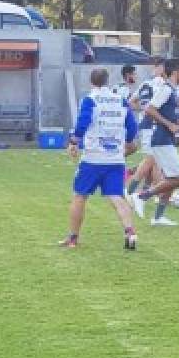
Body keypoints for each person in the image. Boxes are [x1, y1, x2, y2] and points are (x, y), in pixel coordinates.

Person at [60, 68, 140, 250]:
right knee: (116, 196)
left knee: (80, 195)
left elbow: (83, 122)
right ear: (107, 81)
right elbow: (132, 126)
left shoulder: (90, 99)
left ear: (92, 82)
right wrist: (127, 141)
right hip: (115, 159)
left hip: (93, 158)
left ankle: (73, 238)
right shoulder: (120, 99)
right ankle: (130, 231)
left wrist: (73, 141)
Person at [131, 58, 179, 226]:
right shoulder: (166, 89)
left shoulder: (172, 90)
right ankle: (141, 196)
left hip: (166, 139)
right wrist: (169, 125)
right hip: (161, 140)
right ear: (176, 72)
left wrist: (177, 126)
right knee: (177, 179)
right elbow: (149, 109)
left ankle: (158, 217)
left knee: (172, 178)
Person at [126, 56, 166, 198]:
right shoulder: (162, 84)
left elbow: (130, 103)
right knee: (153, 160)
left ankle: (147, 190)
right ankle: (152, 192)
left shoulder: (144, 84)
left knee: (153, 160)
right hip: (154, 126)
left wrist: (143, 108)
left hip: (146, 125)